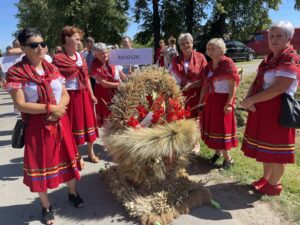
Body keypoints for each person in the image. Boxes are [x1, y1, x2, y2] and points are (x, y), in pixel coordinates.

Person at [5, 28, 83, 225]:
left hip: (60, 120)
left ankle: (72, 193)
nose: (40, 48)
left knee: (67, 157)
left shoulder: (51, 68)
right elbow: (20, 104)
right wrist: (50, 108)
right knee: (40, 165)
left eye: (42, 43)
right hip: (37, 125)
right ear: (23, 47)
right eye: (33, 45)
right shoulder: (16, 72)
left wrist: (59, 109)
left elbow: (64, 93)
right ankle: (46, 205)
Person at [241, 21, 300, 196]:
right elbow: (257, 80)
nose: (273, 39)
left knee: (277, 151)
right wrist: (248, 100)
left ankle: (274, 185)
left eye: (279, 36)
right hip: (264, 109)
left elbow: (279, 88)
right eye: (271, 36)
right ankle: (266, 178)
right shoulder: (268, 59)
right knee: (266, 150)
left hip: (278, 111)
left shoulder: (289, 57)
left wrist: (251, 100)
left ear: (288, 38)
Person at [52, 26, 99, 163]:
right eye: (77, 39)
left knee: (89, 123)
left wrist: (91, 94)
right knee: (75, 126)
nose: (79, 42)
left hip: (84, 94)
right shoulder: (58, 58)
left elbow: (86, 78)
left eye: (80, 39)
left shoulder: (80, 57)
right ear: (67, 39)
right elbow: (55, 82)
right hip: (70, 96)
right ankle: (77, 155)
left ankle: (91, 152)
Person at [199, 38, 240, 169]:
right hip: (211, 101)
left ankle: (229, 159)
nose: (209, 50)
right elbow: (205, 86)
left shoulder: (228, 64)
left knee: (223, 129)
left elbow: (233, 85)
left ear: (221, 49)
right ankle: (217, 154)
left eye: (213, 48)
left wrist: (229, 103)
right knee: (214, 128)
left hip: (223, 101)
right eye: (208, 48)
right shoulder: (208, 66)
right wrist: (201, 102)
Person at [169, 33, 207, 118]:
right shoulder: (175, 60)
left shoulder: (201, 58)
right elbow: (169, 78)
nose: (185, 45)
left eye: (188, 42)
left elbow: (206, 79)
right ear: (179, 46)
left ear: (192, 43)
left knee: (195, 124)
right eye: (182, 44)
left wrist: (201, 102)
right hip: (179, 97)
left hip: (197, 97)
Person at [91, 43, 124, 127]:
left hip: (116, 91)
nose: (105, 55)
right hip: (104, 93)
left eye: (106, 52)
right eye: (102, 53)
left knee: (120, 116)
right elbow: (104, 84)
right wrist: (120, 85)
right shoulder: (94, 66)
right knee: (108, 119)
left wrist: (131, 78)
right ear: (95, 55)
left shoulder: (113, 60)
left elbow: (122, 75)